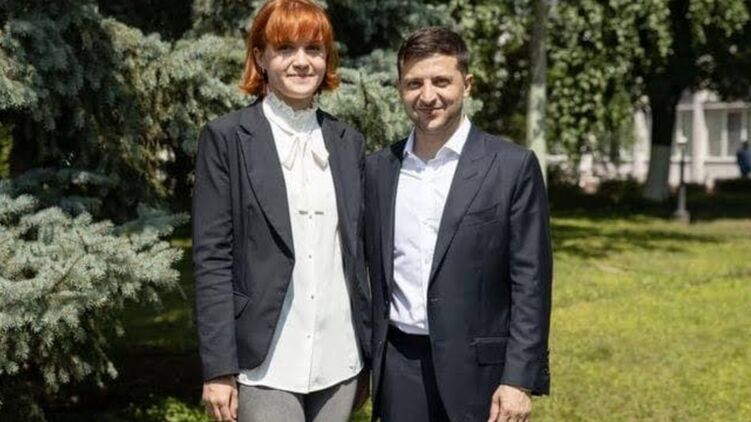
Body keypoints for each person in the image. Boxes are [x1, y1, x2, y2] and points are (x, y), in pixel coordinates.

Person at [192, 1, 370, 421]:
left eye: (314, 49)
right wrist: (218, 368)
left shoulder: (348, 142)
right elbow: (212, 259)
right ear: (260, 57)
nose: (302, 61)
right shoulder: (226, 139)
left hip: (340, 357)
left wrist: (369, 352)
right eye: (286, 48)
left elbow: (359, 253)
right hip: (266, 360)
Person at [364, 27, 552, 422]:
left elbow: (531, 282)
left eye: (441, 81)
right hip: (400, 369)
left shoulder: (511, 167)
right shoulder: (378, 170)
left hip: (483, 376)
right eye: (414, 83)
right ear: (400, 89)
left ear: (467, 85)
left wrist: (519, 380)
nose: (427, 95)